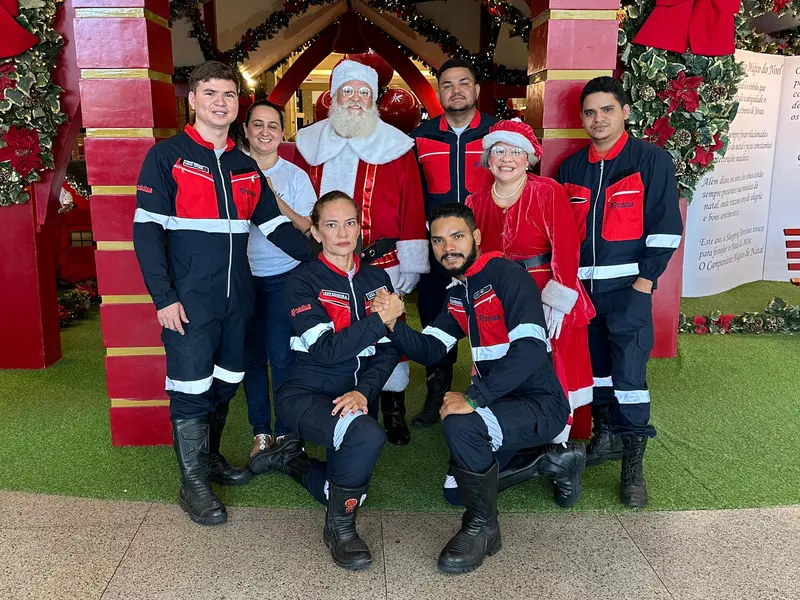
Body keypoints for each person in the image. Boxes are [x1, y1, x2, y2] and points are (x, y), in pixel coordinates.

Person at [132, 61, 314, 526]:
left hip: (239, 300)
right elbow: (147, 234)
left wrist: (332, 255)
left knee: (226, 382)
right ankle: (192, 485)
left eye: (229, 95)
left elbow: (277, 229)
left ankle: (209, 460)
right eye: (210, 93)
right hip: (189, 303)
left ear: (238, 103)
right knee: (191, 388)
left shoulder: (245, 166)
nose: (220, 102)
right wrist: (163, 298)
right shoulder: (166, 156)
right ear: (192, 100)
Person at [375, 203, 585, 574]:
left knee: (461, 423)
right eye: (438, 240)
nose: (447, 247)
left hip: (541, 404)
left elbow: (530, 352)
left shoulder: (508, 276)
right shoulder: (458, 292)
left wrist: (474, 397)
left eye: (456, 236)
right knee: (456, 492)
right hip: (499, 406)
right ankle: (555, 460)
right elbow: (430, 349)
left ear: (476, 237)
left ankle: (482, 529)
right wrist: (393, 324)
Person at [556, 76, 683, 507]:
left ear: (625, 112)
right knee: (596, 374)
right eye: (590, 112)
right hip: (584, 296)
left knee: (630, 378)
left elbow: (666, 229)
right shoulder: (570, 169)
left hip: (629, 292)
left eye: (607, 110)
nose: (598, 119)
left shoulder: (651, 161)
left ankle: (633, 463)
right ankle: (606, 436)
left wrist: (645, 283)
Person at [294, 59, 429, 445]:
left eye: (363, 93)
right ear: (333, 96)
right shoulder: (307, 143)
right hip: (324, 261)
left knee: (388, 332)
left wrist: (410, 258)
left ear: (374, 100)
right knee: (329, 328)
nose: (355, 99)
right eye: (348, 91)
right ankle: (327, 401)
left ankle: (393, 408)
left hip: (382, 261)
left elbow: (413, 204)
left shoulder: (397, 146)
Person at [275, 191, 403, 571]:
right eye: (331, 224)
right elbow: (328, 351)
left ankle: (290, 462)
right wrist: (380, 321)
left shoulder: (376, 277)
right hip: (306, 394)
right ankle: (339, 529)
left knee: (346, 489)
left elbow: (389, 350)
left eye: (349, 222)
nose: (342, 232)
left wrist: (363, 391)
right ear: (316, 232)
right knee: (366, 437)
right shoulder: (300, 281)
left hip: (354, 396)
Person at [466, 119, 595, 432]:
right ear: (488, 157)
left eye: (516, 151)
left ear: (528, 158)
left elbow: (566, 248)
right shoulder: (475, 201)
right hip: (497, 296)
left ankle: (557, 438)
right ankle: (508, 427)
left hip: (544, 289)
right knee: (503, 359)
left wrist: (557, 298)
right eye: (499, 151)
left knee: (550, 361)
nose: (507, 158)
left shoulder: (547, 191)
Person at [409, 58, 498, 427]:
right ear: (439, 92)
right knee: (435, 317)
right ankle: (436, 393)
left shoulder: (499, 133)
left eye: (464, 83)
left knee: (491, 318)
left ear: (476, 90)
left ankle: (491, 393)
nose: (456, 90)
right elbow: (412, 195)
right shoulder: (420, 137)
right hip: (440, 251)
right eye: (447, 84)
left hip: (488, 246)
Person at [240, 101, 317, 473]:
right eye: (258, 125)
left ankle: (287, 433)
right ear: (246, 131)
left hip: (284, 277)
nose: (265, 132)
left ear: (282, 133)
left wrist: (273, 198)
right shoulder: (231, 169)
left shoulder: (295, 176)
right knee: (251, 357)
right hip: (240, 278)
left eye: (273, 125)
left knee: (283, 356)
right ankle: (261, 432)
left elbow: (309, 228)